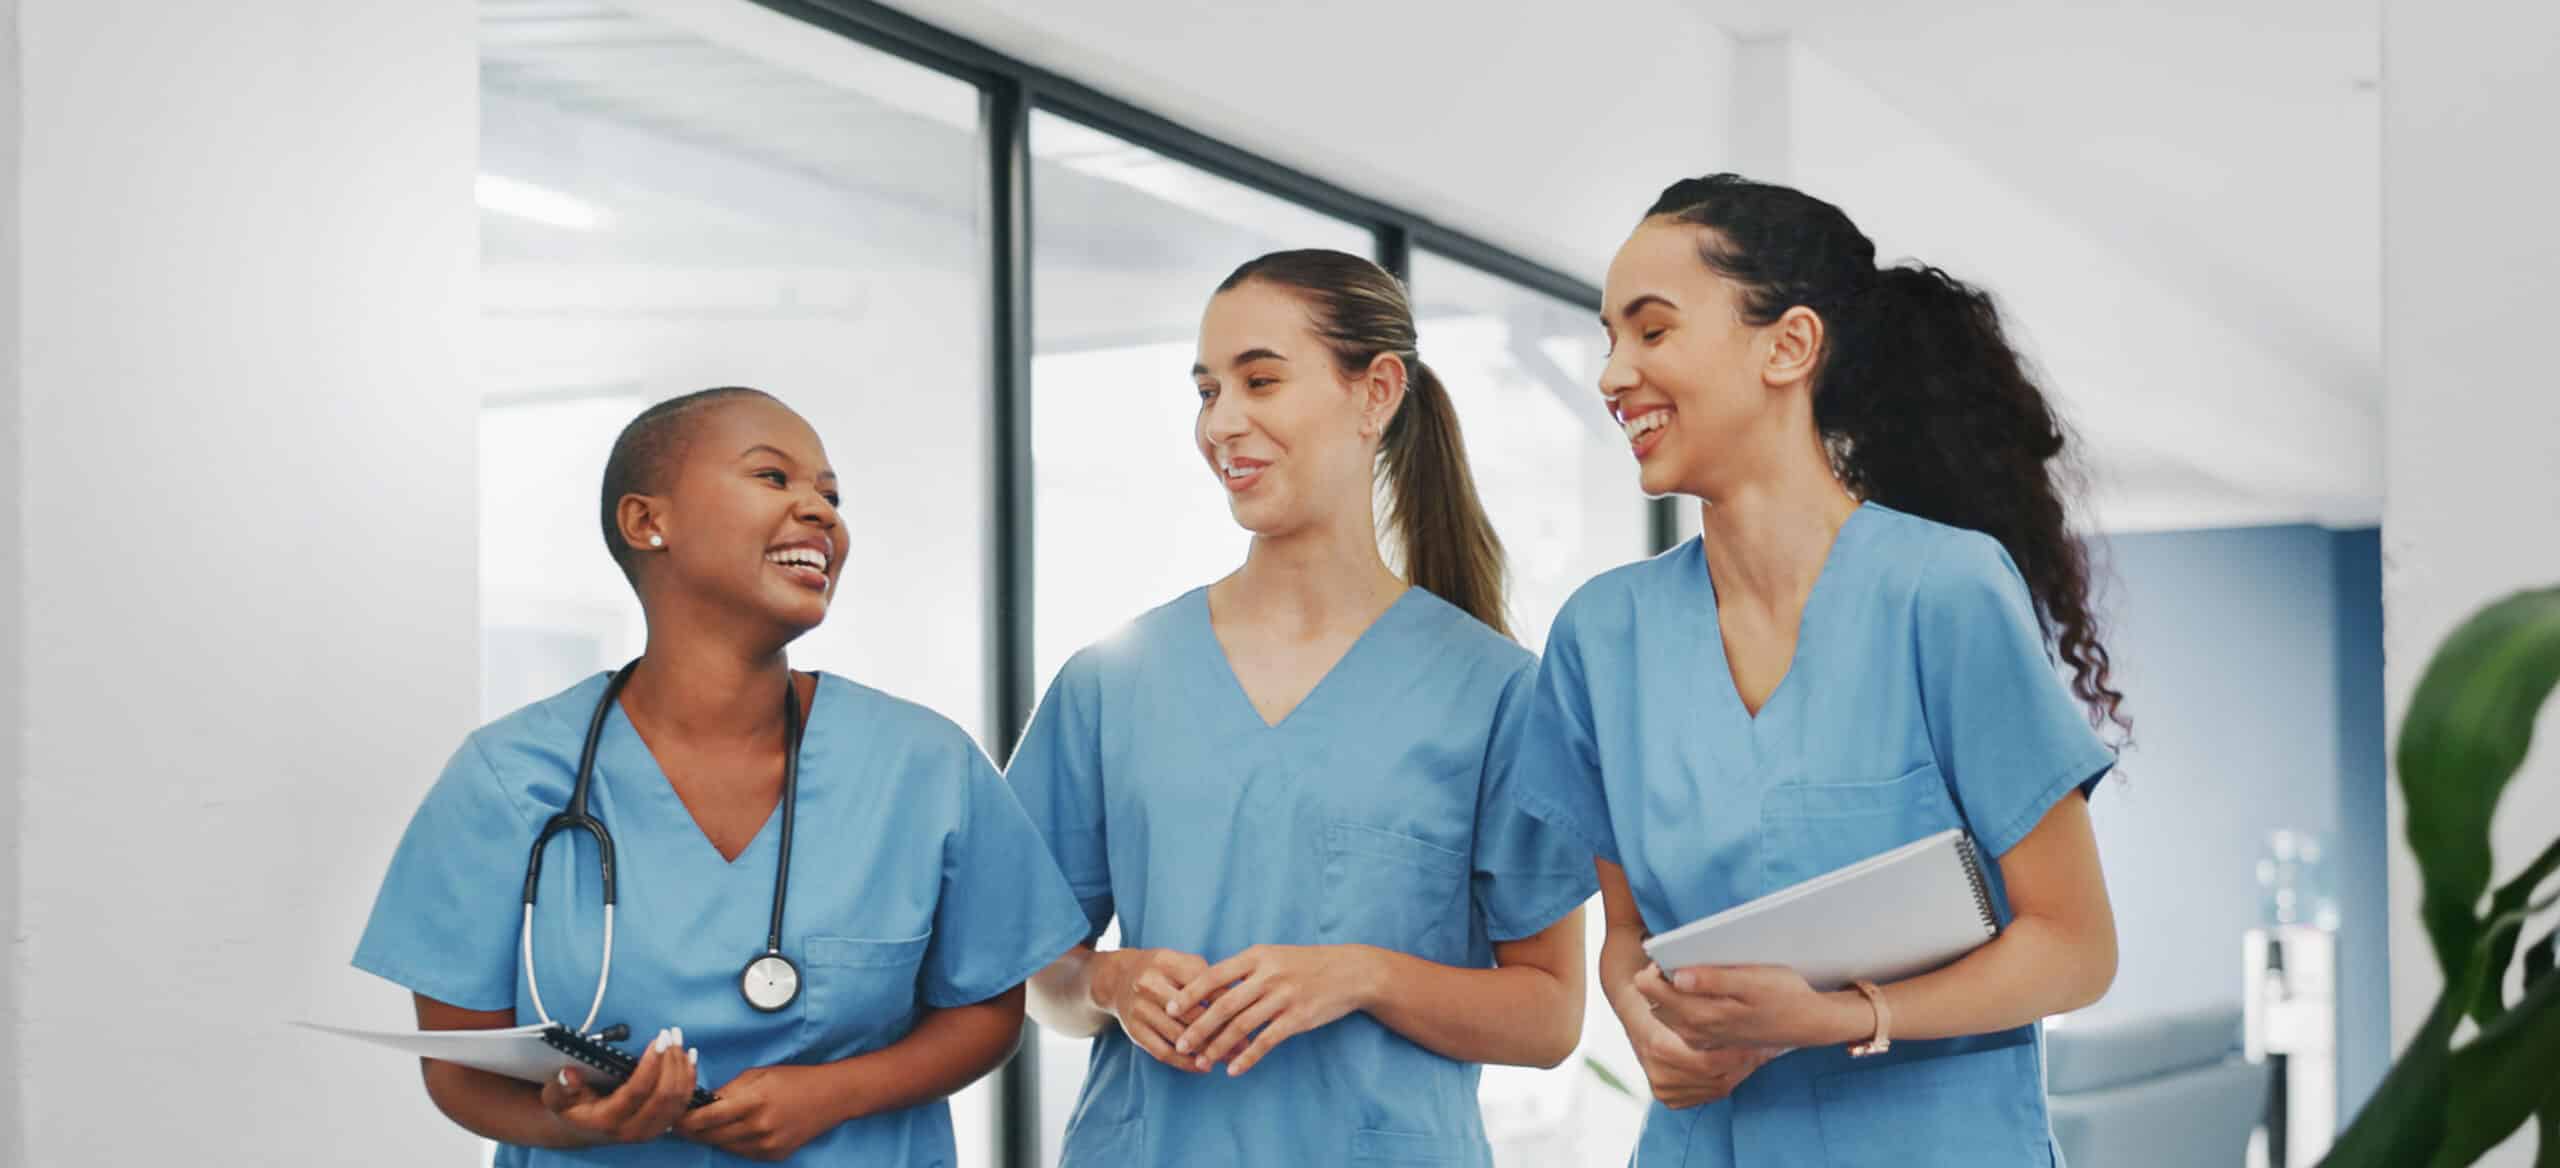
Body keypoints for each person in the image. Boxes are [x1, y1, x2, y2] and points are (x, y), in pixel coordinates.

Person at [1507, 175, 2128, 1165]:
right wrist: (1651, 1026)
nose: (1612, 373)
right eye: (1607, 338)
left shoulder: (1944, 593)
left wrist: (1847, 1013)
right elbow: (1627, 936)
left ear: (1787, 347)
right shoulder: (1600, 636)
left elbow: (2074, 945)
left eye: (1652, 331)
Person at [354, 387, 1090, 1164]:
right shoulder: (508, 778)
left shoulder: (925, 766)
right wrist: (571, 1123)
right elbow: (457, 1066)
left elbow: (988, 1013)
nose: (821, 511)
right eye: (774, 478)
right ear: (648, 521)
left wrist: (832, 1095)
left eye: (831, 495)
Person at [1009, 250, 1597, 1166]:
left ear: (1376, 394)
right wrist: (1107, 981)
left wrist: (1364, 976)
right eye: (1207, 390)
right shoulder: (1112, 680)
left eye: (1261, 380)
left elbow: (1549, 1016)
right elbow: (1041, 973)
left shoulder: (1493, 692)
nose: (1223, 422)